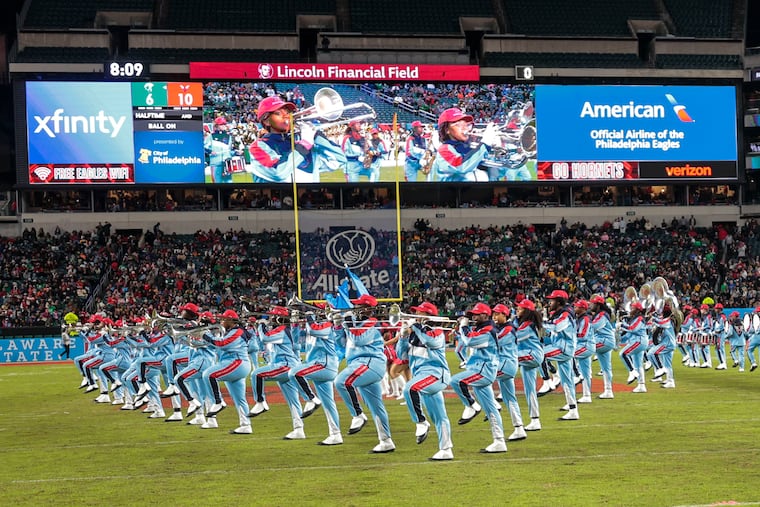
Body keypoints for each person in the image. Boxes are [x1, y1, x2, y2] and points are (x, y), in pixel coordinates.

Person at [334, 294, 395, 453]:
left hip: (370, 363)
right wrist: (338, 326)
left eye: (358, 306)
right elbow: (341, 343)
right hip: (360, 364)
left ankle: (358, 415)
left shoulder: (372, 323)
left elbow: (358, 339)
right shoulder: (356, 323)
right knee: (376, 406)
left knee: (341, 382)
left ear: (366, 309)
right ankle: (386, 440)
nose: (354, 309)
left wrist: (347, 321)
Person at [397, 301, 454, 460]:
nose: (417, 316)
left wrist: (415, 327)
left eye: (420, 313)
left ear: (429, 316)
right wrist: (402, 336)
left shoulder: (437, 331)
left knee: (410, 389)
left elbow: (431, 342)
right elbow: (401, 356)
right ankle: (446, 449)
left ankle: (421, 422)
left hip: (436, 374)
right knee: (439, 416)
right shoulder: (415, 335)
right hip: (423, 377)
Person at [450, 302, 506, 453]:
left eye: (476, 314)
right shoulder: (480, 328)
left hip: (484, 370)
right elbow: (468, 338)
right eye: (472, 314)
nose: (473, 316)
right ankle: (499, 441)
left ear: (485, 315)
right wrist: (460, 328)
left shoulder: (488, 329)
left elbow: (470, 341)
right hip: (478, 369)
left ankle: (471, 406)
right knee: (491, 409)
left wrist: (463, 326)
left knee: (456, 381)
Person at [248, 96, 345, 183]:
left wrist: (316, 135)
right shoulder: (257, 146)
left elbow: (339, 160)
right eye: (278, 113)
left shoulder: (299, 143)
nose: (286, 116)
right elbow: (278, 173)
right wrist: (304, 145)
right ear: (267, 121)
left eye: (287, 112)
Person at [288, 306, 344, 446]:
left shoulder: (327, 325)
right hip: (318, 364)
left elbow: (314, 329)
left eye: (319, 311)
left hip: (324, 365)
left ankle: (311, 399)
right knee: (328, 404)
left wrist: (308, 317)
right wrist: (294, 323)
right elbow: (295, 341)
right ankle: (335, 434)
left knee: (294, 373)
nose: (317, 314)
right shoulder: (311, 325)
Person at [250, 305, 305, 440]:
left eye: (273, 316)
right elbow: (262, 342)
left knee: (256, 374)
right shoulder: (281, 330)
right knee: (293, 401)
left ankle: (260, 402)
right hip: (286, 365)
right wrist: (258, 330)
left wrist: (261, 326)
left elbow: (265, 339)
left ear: (279, 318)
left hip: (285, 365)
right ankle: (299, 429)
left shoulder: (281, 329)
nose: (270, 319)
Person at [200, 310, 253, 434]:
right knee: (239, 399)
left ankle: (218, 402)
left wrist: (205, 335)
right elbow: (218, 345)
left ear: (231, 321)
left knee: (208, 375)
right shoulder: (230, 332)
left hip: (237, 363)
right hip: (235, 364)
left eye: (224, 319)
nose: (222, 321)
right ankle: (246, 425)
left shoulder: (237, 331)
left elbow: (222, 343)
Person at [429, 108, 497, 182]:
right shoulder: (444, 149)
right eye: (458, 125)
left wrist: (496, 151)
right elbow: (461, 166)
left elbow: (498, 173)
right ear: (446, 130)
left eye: (467, 125)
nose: (465, 128)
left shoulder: (470, 148)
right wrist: (485, 143)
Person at [542, 290, 580, 420]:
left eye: (552, 300)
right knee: (567, 381)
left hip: (564, 348)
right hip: (563, 346)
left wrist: (538, 322)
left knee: (538, 355)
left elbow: (557, 327)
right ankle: (573, 410)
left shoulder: (565, 313)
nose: (549, 302)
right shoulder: (562, 312)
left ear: (559, 301)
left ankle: (548, 381)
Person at [492, 303, 526, 442]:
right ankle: (519, 428)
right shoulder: (502, 327)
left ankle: (494, 405)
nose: (494, 316)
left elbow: (495, 342)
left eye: (497, 314)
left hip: (506, 363)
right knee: (509, 398)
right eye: (493, 314)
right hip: (505, 364)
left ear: (504, 315)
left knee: (479, 379)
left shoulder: (508, 328)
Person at [515, 299, 544, 431]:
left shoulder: (527, 324)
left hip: (532, 354)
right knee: (529, 390)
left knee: (507, 360)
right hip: (529, 354)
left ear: (526, 311)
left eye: (520, 309)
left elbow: (513, 337)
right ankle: (535, 420)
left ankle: (551, 378)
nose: (517, 310)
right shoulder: (526, 323)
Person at [618, 301, 648, 393]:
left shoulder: (639, 318)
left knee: (623, 354)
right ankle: (641, 385)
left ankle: (632, 372)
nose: (630, 310)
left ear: (638, 310)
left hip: (639, 341)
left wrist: (622, 325)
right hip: (637, 341)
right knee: (638, 364)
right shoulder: (635, 318)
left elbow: (632, 329)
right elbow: (628, 333)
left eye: (633, 308)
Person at [589, 294, 616, 399]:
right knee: (606, 368)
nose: (590, 305)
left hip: (604, 340)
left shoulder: (602, 314)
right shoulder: (601, 314)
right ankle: (608, 391)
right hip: (605, 340)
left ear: (598, 305)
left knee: (582, 350)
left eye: (593, 303)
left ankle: (579, 375)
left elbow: (594, 326)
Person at [572, 299, 595, 404]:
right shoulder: (580, 318)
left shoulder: (585, 319)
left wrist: (571, 335)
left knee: (568, 356)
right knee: (585, 372)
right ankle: (587, 395)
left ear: (582, 308)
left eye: (576, 306)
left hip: (586, 345)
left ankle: (576, 376)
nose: (574, 308)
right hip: (584, 346)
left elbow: (583, 335)